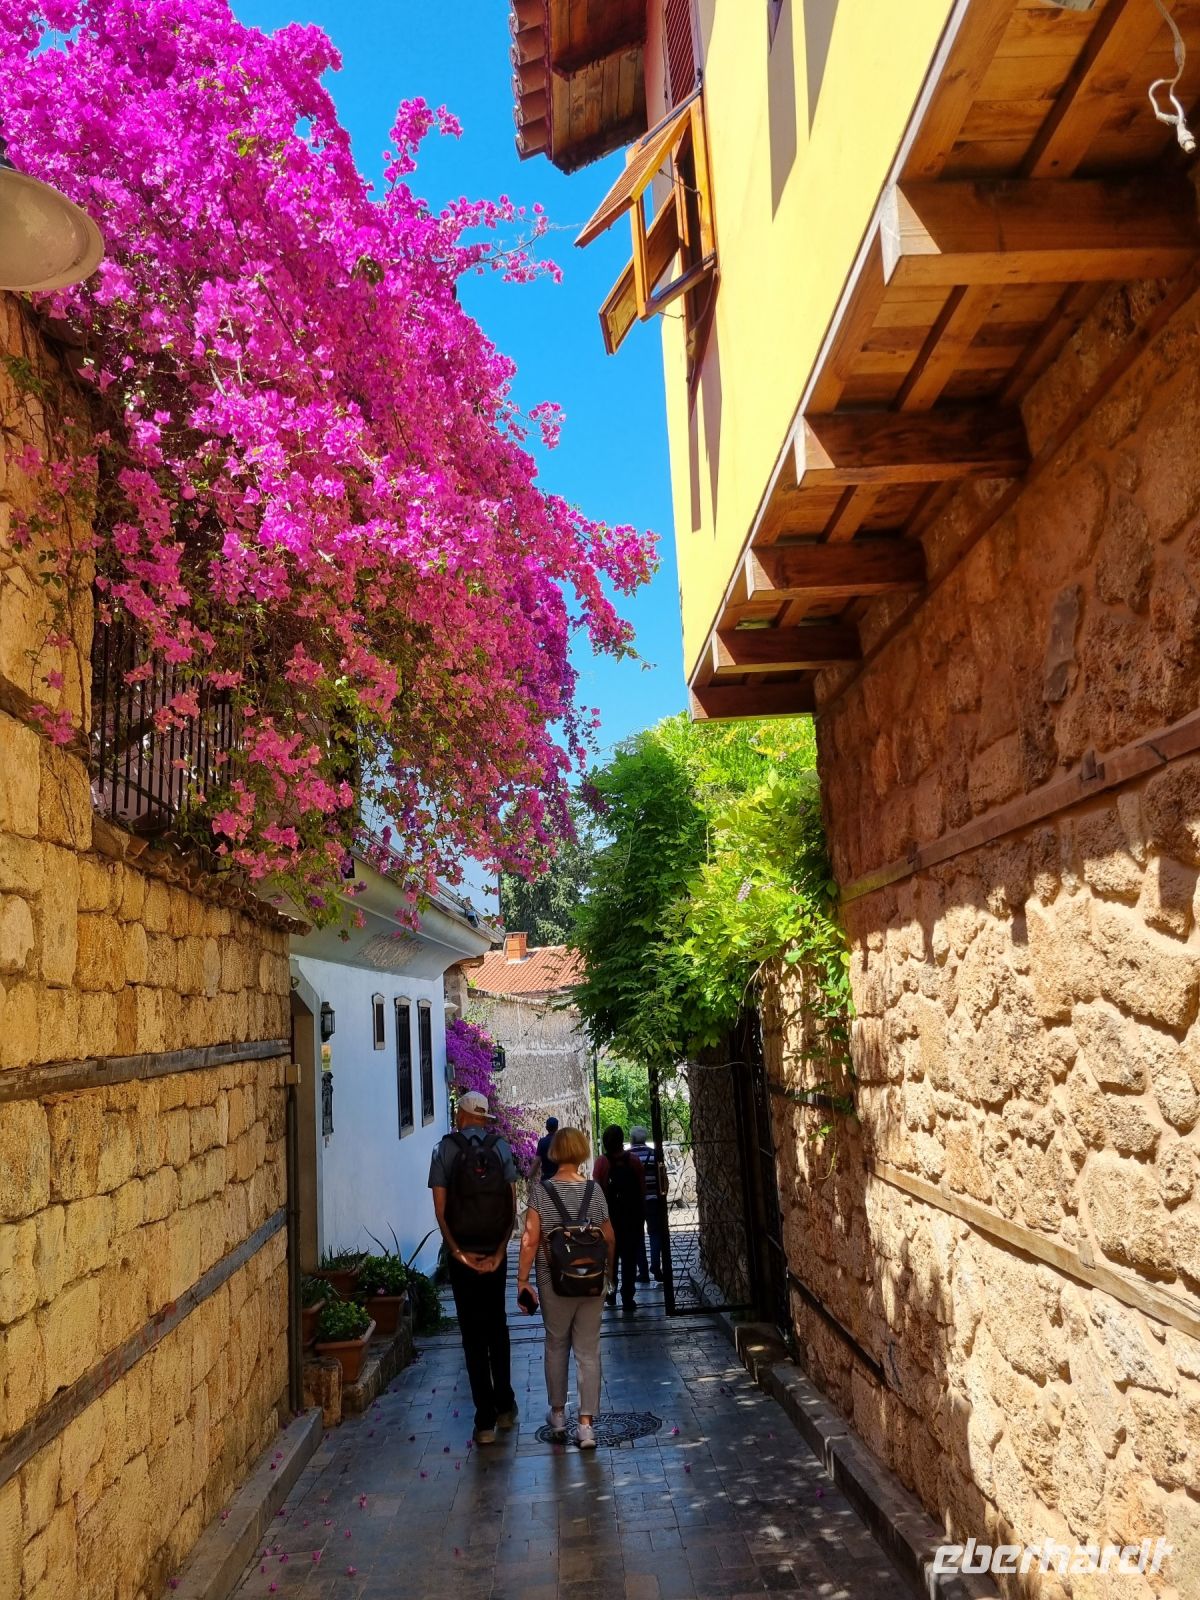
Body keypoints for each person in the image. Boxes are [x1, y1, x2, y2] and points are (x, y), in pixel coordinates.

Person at [428, 1090, 519, 1445]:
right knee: (497, 1326)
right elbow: (512, 1208)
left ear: (460, 1114)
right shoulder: (501, 1148)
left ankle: (484, 1421)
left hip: (463, 1252)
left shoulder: (444, 1149)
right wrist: (498, 1252)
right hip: (493, 1251)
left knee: (472, 1334)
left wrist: (457, 1253)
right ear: (484, 1119)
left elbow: (440, 1208)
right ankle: (506, 1405)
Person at [516, 1126, 615, 1449]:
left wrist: (522, 1281)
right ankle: (585, 1426)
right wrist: (607, 1271)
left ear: (553, 1152)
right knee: (588, 1350)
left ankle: (558, 1415)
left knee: (556, 1343)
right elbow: (609, 1237)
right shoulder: (594, 1190)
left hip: (554, 1281)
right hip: (591, 1281)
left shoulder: (542, 1193)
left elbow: (530, 1240)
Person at [593, 1124, 645, 1312]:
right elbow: (641, 1190)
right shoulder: (634, 1161)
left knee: (610, 1258)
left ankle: (611, 1293)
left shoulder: (601, 1163)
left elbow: (596, 1192)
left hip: (610, 1219)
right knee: (630, 1260)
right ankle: (628, 1298)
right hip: (631, 1218)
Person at [627, 1126, 667, 1282]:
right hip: (653, 1200)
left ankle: (643, 1272)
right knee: (655, 1233)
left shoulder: (627, 1156)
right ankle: (656, 1266)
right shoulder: (655, 1153)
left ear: (632, 1139)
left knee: (638, 1236)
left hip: (634, 1202)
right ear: (644, 1138)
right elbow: (662, 1176)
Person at [535, 1115, 560, 1180]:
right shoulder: (562, 1141)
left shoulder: (542, 1142)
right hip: (560, 1178)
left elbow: (537, 1161)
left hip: (546, 1179)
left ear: (546, 1127)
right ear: (557, 1127)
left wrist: (529, 1174)